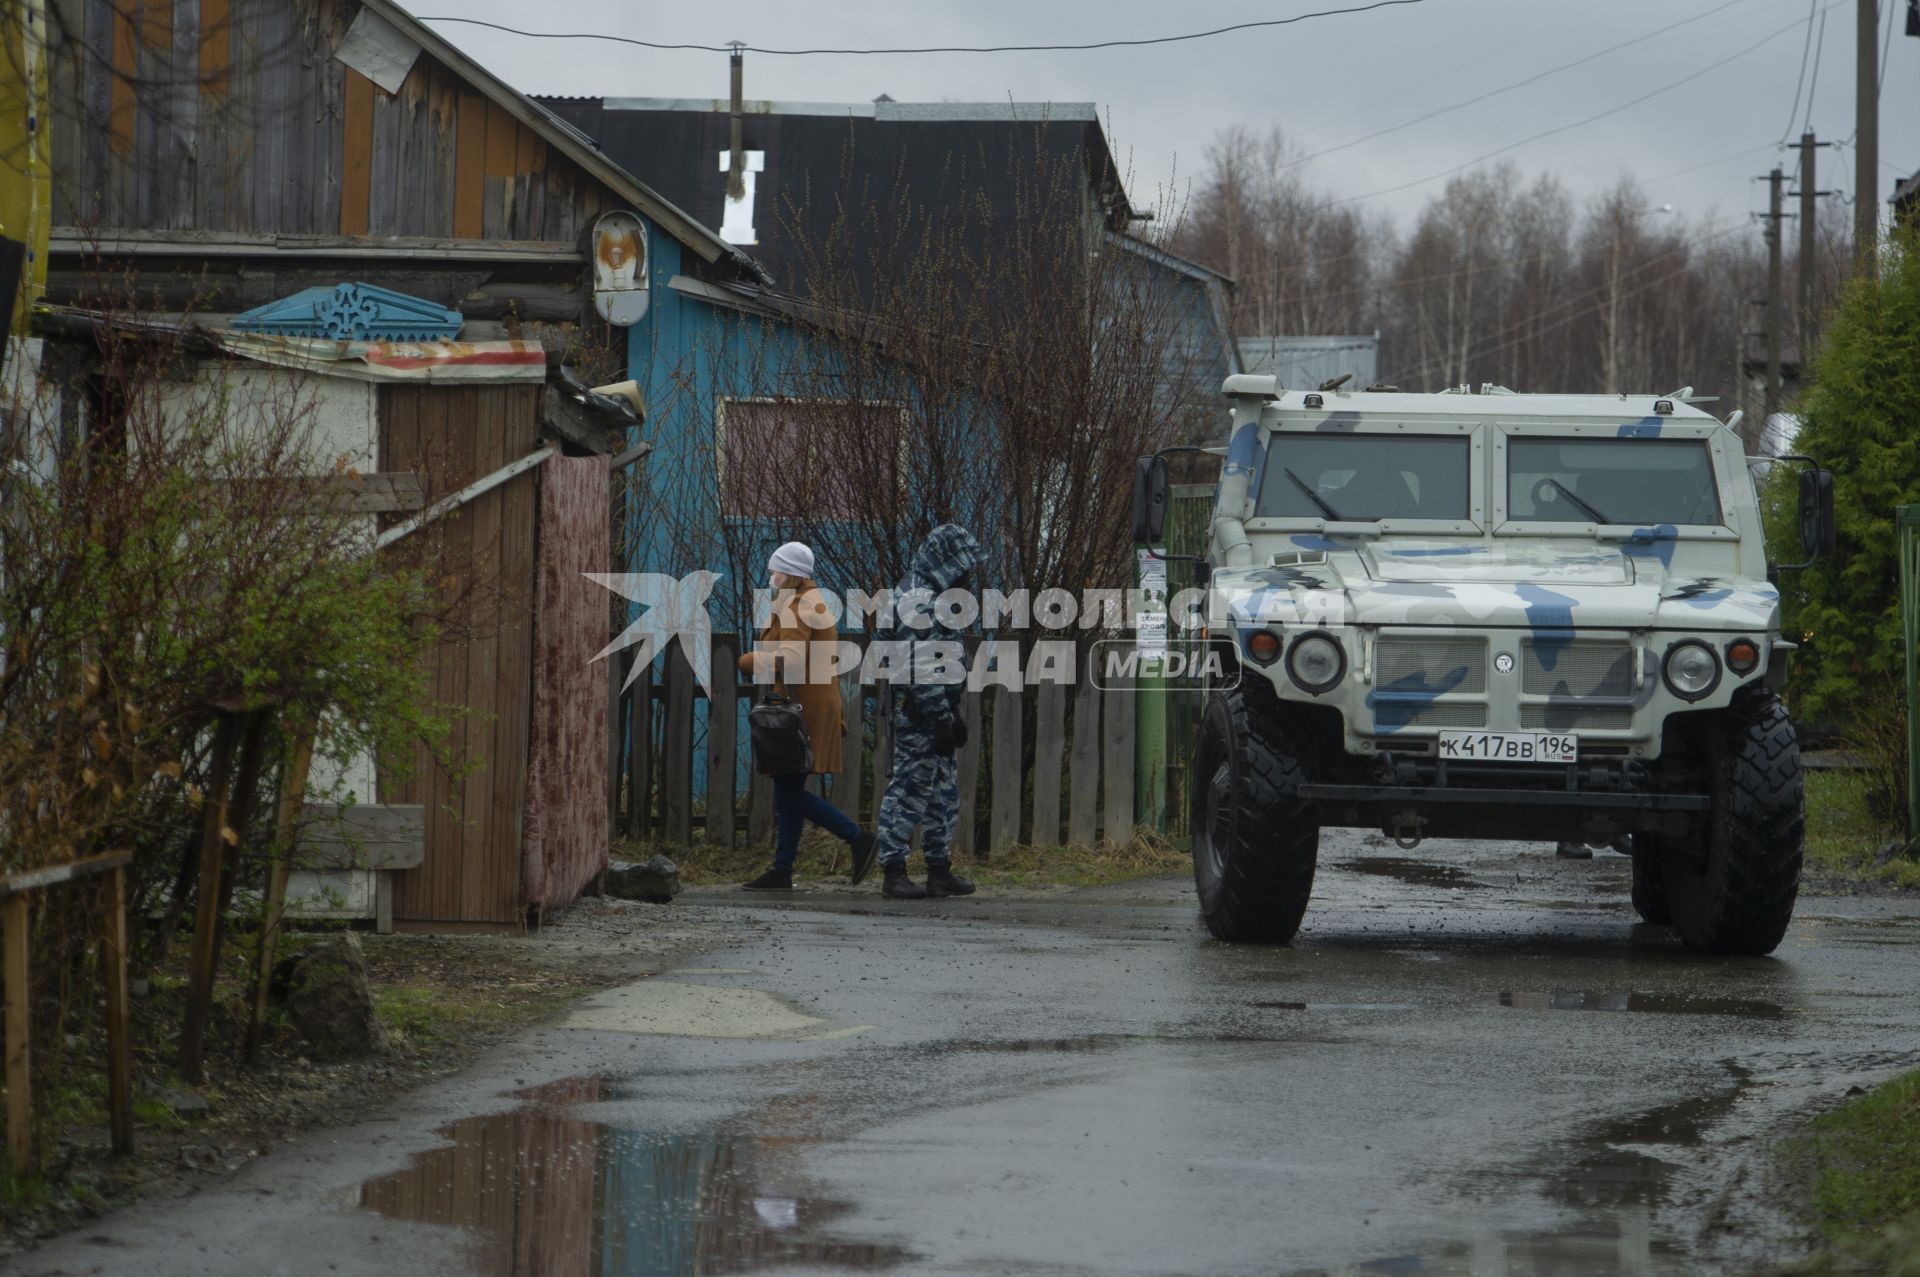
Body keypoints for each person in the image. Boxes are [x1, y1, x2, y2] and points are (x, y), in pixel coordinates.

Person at [737, 541, 878, 891]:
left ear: (790, 574)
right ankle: (782, 869)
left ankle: (858, 838)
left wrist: (748, 662)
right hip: (808, 705)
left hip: (804, 710)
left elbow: (793, 660)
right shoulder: (803, 602)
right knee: (788, 788)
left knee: (789, 793)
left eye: (775, 571)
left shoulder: (799, 607)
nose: (771, 576)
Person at [871, 523, 986, 899]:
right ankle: (893, 871)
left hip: (934, 711)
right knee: (908, 791)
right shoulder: (916, 600)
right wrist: (940, 715)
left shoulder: (930, 594)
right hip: (918, 714)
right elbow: (920, 665)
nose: (967, 573)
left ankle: (939, 870)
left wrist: (949, 713)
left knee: (941, 795)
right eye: (963, 565)